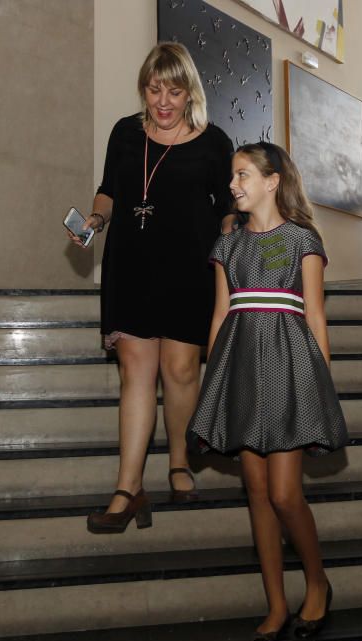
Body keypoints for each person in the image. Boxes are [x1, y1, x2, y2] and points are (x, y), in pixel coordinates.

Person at [187, 142, 349, 641]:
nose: (233, 184)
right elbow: (218, 316)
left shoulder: (299, 240)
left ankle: (318, 582)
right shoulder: (227, 247)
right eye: (232, 176)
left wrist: (320, 385)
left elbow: (316, 317)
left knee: (283, 494)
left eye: (242, 175)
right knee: (256, 494)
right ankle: (276, 603)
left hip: (289, 371)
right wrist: (213, 385)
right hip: (239, 370)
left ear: (272, 180)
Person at [72, 42, 235, 533]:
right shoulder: (125, 132)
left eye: (174, 90)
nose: (163, 101)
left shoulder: (214, 141)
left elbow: (228, 203)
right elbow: (109, 187)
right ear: (145, 88)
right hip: (132, 261)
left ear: (190, 92)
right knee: (135, 373)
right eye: (154, 88)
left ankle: (179, 461)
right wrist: (96, 218)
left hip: (189, 266)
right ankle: (128, 486)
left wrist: (231, 232)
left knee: (181, 370)